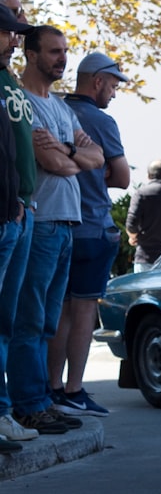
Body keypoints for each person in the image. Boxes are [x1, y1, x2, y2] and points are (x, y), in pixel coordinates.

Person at [10, 25, 104, 434]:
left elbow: (95, 157)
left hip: (67, 225)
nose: (62, 59)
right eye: (53, 52)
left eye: (65, 51)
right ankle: (27, 403)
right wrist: (72, 156)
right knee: (29, 321)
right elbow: (51, 164)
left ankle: (42, 399)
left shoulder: (64, 110)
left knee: (48, 321)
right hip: (42, 221)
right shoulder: (22, 103)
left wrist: (67, 150)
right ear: (30, 54)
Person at [49, 51, 130, 417]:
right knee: (83, 313)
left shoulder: (56, 111)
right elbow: (123, 177)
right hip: (94, 226)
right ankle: (75, 388)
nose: (113, 93)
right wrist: (94, 174)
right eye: (112, 86)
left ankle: (51, 387)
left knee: (57, 312)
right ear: (97, 81)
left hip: (58, 222)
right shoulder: (100, 120)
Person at [0, 0, 36, 452]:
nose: (14, 41)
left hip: (16, 214)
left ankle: (4, 412)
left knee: (7, 323)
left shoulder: (10, 82)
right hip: (7, 215)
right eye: (7, 31)